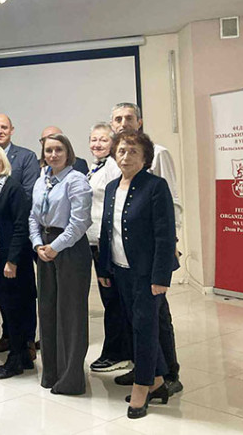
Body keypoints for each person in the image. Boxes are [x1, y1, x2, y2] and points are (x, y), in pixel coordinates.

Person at [98, 130, 175, 419]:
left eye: (133, 151)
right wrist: (104, 267)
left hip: (147, 274)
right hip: (120, 271)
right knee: (136, 325)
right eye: (121, 151)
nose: (126, 156)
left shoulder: (155, 186)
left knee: (144, 329)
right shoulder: (111, 188)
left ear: (145, 158)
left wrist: (160, 277)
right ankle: (157, 381)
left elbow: (165, 235)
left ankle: (142, 387)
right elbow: (107, 230)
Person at [110, 102, 183, 395]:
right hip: (121, 257)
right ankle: (147, 369)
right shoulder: (112, 163)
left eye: (129, 118)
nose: (123, 122)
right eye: (118, 119)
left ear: (139, 121)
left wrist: (171, 249)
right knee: (136, 320)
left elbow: (171, 204)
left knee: (155, 320)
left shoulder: (157, 154)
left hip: (150, 257)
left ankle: (168, 374)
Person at [29, 133, 93, 395]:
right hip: (44, 249)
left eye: (58, 150)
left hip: (69, 249)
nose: (53, 155)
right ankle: (51, 373)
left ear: (68, 153)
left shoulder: (76, 180)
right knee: (47, 310)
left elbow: (80, 222)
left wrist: (55, 247)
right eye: (48, 150)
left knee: (70, 314)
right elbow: (33, 216)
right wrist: (37, 244)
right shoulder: (41, 180)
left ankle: (71, 379)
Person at [0, 114, 40, 356]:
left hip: (16, 239)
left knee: (22, 296)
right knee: (5, 297)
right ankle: (9, 337)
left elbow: (29, 194)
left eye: (4, 127)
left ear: (12, 129)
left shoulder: (26, 157)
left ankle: (27, 342)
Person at [86, 124, 132, 373]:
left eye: (103, 140)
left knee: (114, 301)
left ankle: (117, 353)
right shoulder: (95, 167)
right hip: (95, 242)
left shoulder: (113, 166)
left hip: (108, 243)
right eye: (94, 139)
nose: (97, 144)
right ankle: (120, 350)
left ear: (112, 143)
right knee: (110, 300)